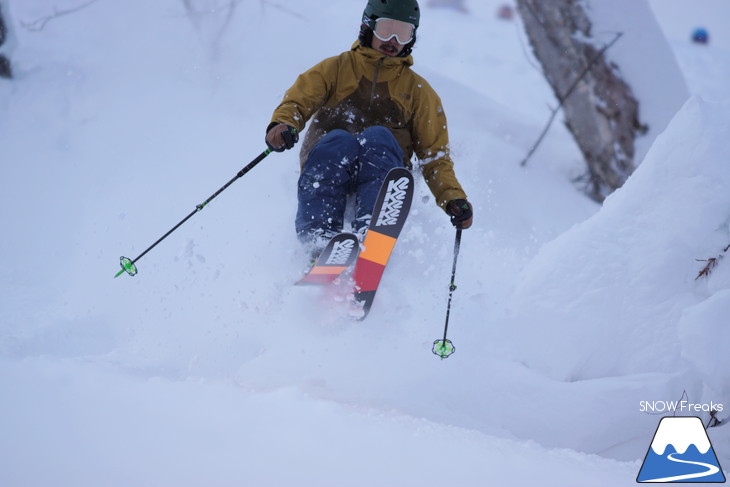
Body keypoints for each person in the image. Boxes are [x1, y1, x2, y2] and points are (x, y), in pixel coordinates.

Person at [265, 0, 473, 255]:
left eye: (403, 32)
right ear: (368, 27)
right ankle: (318, 243)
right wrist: (283, 125)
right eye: (386, 30)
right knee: (339, 139)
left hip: (383, 173)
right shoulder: (336, 69)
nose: (393, 40)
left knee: (379, 137)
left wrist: (452, 197)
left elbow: (435, 157)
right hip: (328, 163)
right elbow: (298, 100)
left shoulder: (419, 92)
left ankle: (373, 234)